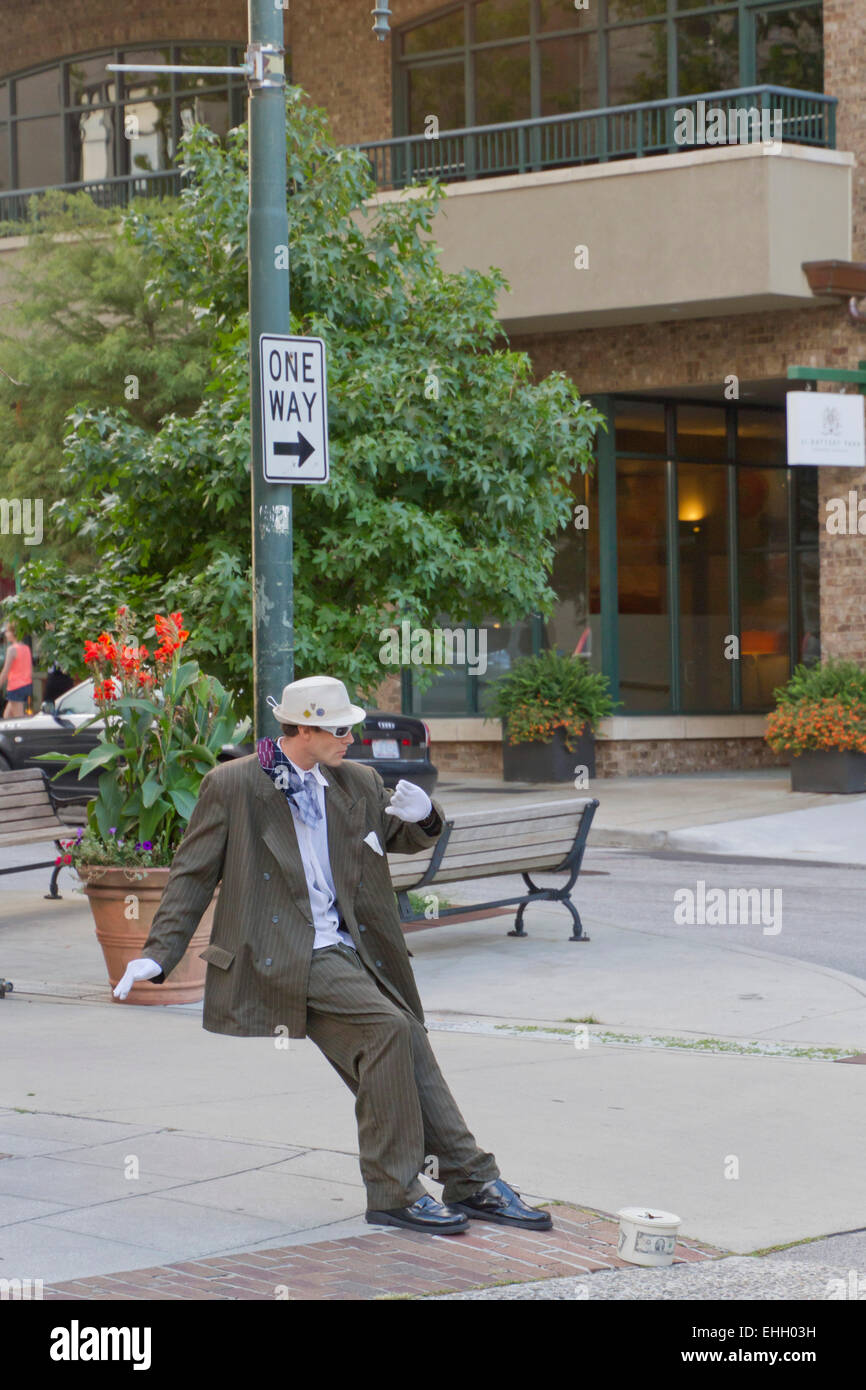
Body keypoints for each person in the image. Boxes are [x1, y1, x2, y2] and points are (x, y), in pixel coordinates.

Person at [115, 675, 552, 1236]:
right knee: (389, 1030)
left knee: (401, 1038)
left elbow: (400, 837)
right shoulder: (233, 785)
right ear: (302, 729)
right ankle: (395, 1191)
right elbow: (193, 874)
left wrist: (425, 818)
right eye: (340, 728)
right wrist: (159, 953)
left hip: (351, 947)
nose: (352, 737)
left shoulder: (356, 782)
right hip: (282, 951)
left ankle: (468, 1177)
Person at [0, 620, 33, 718]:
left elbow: (5, 672)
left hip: (15, 687)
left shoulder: (12, 649)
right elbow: (30, 670)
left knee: (19, 719)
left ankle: (23, 734)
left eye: (7, 631)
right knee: (7, 716)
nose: (5, 634)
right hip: (26, 686)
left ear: (13, 633)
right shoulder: (26, 648)